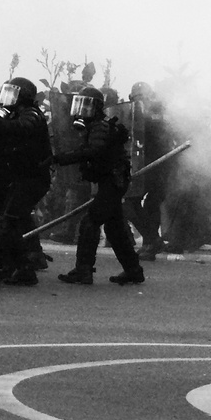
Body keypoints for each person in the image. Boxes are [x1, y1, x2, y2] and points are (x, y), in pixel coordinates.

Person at [53, 85, 146, 285]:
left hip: (112, 182)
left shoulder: (100, 126)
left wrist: (62, 159)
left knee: (90, 222)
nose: (82, 110)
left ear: (96, 108)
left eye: (86, 106)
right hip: (111, 181)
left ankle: (83, 270)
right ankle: (133, 270)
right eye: (80, 105)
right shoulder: (94, 126)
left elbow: (93, 151)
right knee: (115, 228)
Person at [0, 77, 52, 286]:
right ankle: (23, 267)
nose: (6, 97)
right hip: (18, 177)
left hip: (33, 179)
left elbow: (21, 127)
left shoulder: (31, 114)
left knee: (6, 222)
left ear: (22, 95)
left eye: (12, 92)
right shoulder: (12, 114)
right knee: (2, 222)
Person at [125, 81, 174, 259]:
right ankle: (152, 241)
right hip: (143, 165)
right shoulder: (133, 114)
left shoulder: (158, 115)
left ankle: (150, 244)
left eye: (143, 97)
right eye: (136, 98)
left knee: (150, 204)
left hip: (160, 166)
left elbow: (160, 128)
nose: (140, 101)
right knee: (131, 203)